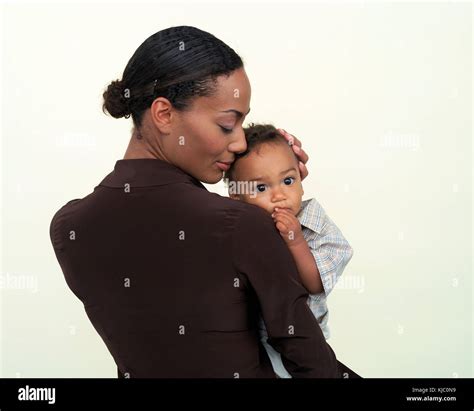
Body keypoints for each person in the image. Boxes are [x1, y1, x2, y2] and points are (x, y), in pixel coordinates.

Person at [50, 25, 357, 377]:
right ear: (164, 114)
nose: (241, 142)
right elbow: (314, 364)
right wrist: (278, 190)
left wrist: (266, 170)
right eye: (228, 125)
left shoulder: (68, 226)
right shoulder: (241, 225)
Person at [224, 123, 354, 378]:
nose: (279, 195)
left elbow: (315, 283)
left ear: (301, 180)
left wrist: (294, 240)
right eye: (261, 188)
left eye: (288, 180)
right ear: (236, 197)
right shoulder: (238, 227)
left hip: (301, 343)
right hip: (250, 341)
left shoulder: (315, 225)